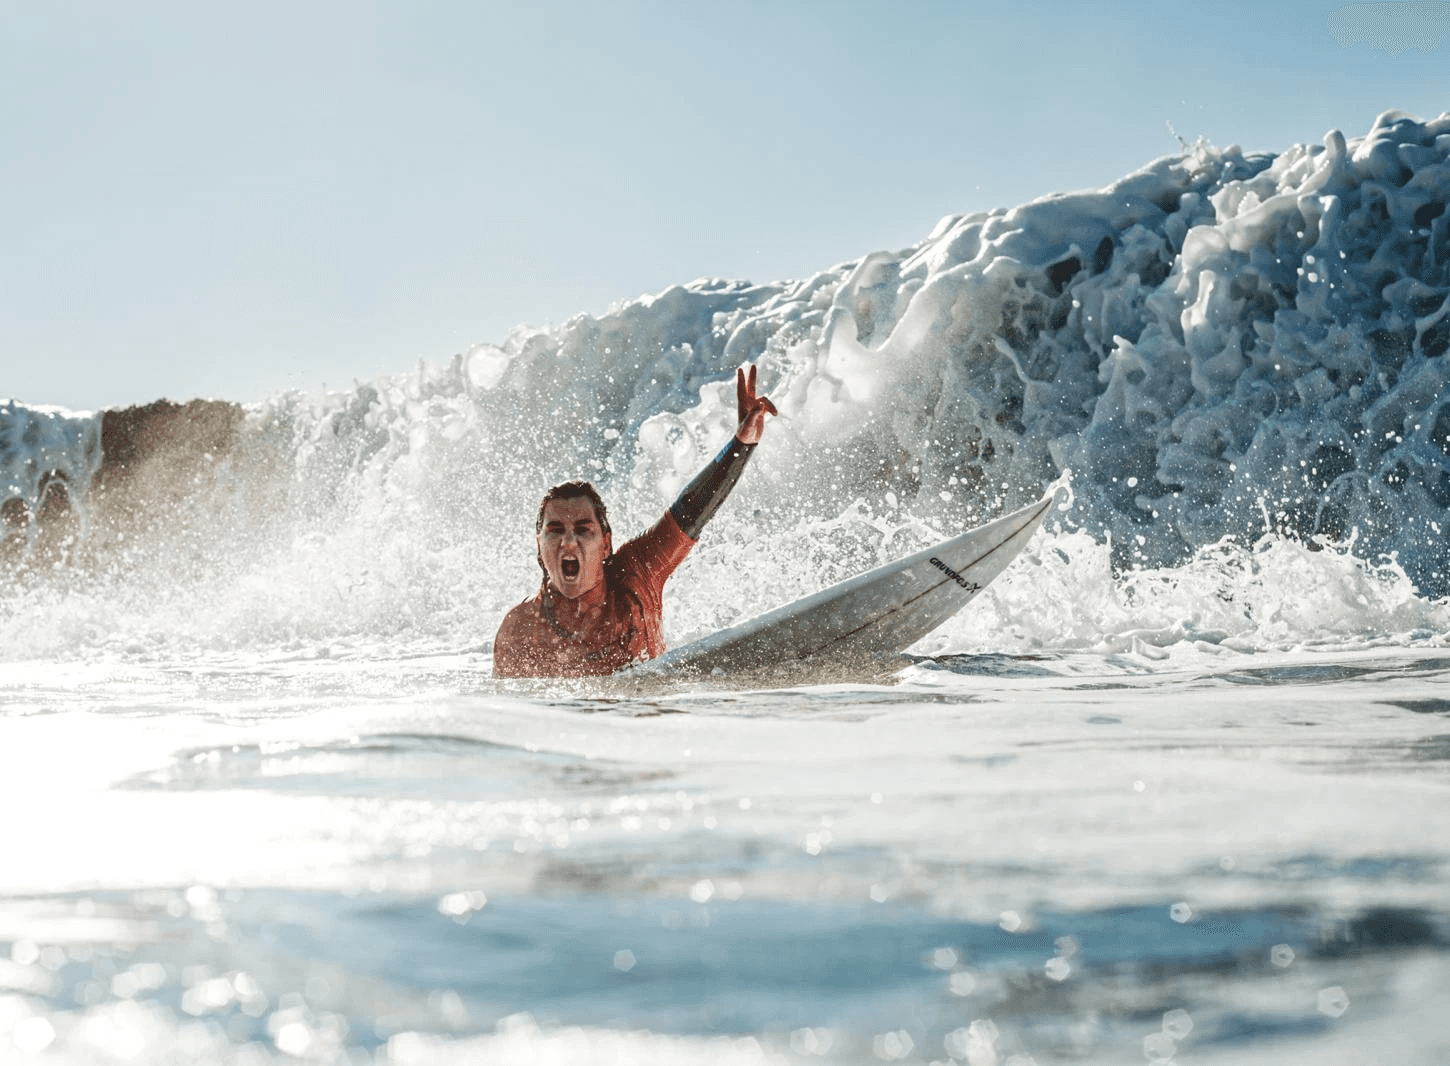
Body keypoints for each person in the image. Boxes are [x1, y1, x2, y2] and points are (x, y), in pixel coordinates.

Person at [493, 365, 777, 677]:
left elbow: (691, 511)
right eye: (555, 529)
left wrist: (741, 444)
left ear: (606, 544)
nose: (569, 541)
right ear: (539, 545)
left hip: (646, 719)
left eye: (583, 529)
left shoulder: (636, 575)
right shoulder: (518, 631)